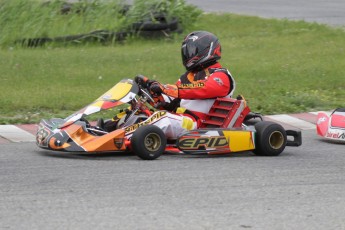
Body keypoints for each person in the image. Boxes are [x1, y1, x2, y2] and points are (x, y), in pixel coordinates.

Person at [105, 31, 236, 139]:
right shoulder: (188, 77)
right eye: (187, 52)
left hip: (198, 124)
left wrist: (166, 88)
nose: (188, 55)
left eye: (192, 50)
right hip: (181, 118)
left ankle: (117, 139)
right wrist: (154, 93)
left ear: (206, 50)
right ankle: (103, 130)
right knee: (138, 111)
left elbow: (203, 88)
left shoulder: (221, 75)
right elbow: (171, 101)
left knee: (162, 118)